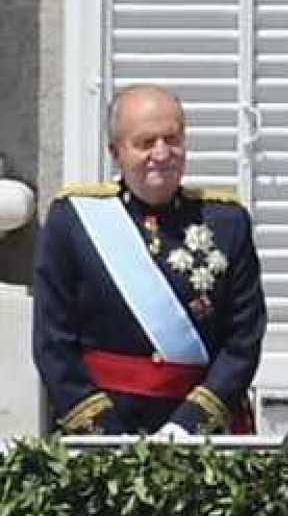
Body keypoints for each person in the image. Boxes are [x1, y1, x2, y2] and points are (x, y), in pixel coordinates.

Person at [33, 84, 265, 435]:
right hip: (104, 430)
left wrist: (188, 424)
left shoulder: (226, 222)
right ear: (116, 152)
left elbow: (243, 338)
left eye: (172, 139)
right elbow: (53, 342)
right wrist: (107, 434)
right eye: (145, 143)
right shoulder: (74, 221)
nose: (162, 153)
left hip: (200, 434)